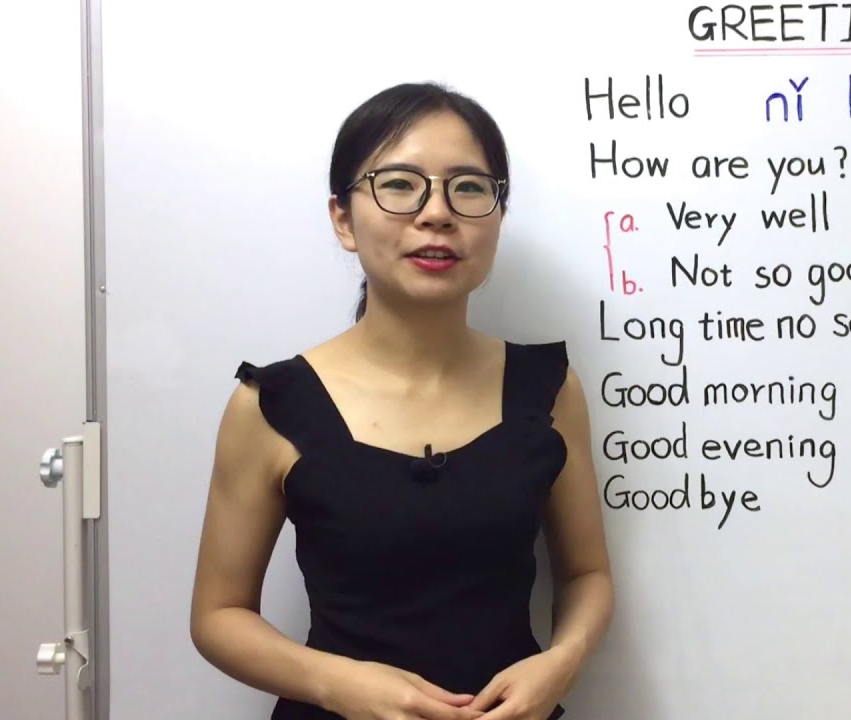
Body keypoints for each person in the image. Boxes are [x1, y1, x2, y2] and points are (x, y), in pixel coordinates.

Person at [189, 82, 615, 720]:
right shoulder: (271, 405)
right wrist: (337, 684)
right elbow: (218, 616)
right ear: (343, 219)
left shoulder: (548, 389)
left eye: (468, 187)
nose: (436, 213)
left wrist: (561, 663)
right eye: (399, 184)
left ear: (498, 216)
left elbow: (586, 574)